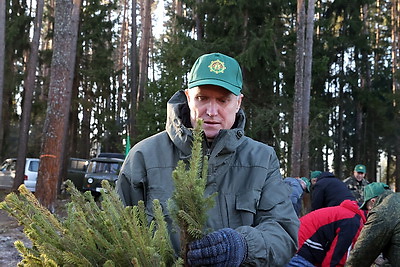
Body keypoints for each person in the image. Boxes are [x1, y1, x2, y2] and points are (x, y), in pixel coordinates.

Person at [116, 52, 299, 266]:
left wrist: (244, 246)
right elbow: (117, 232)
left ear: (238, 102)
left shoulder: (262, 159)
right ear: (188, 97)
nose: (212, 111)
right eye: (202, 98)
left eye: (223, 100)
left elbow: (283, 233)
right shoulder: (144, 156)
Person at [287, 199, 366, 267]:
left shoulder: (348, 215)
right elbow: (336, 259)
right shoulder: (353, 222)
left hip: (291, 246)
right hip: (300, 252)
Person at [346, 182, 400, 267]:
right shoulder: (397, 199)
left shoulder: (382, 211)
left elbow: (361, 254)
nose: (369, 212)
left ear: (373, 201)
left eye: (368, 209)